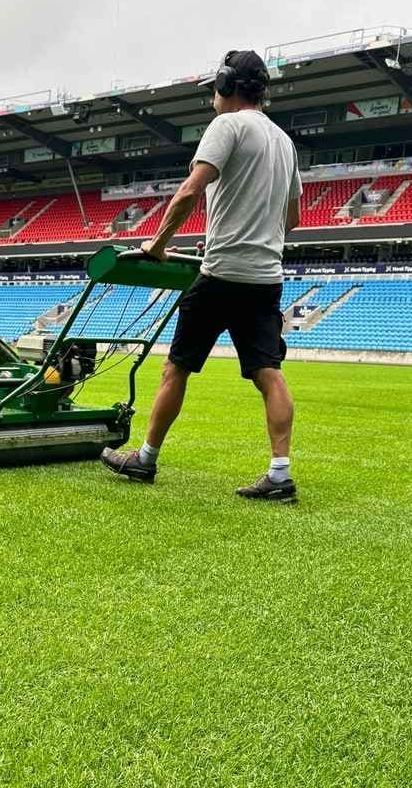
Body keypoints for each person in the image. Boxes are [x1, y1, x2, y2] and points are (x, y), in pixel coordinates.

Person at [101, 49, 302, 504]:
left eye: (214, 88)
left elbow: (191, 190)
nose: (212, 97)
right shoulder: (285, 143)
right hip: (265, 277)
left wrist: (156, 243)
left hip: (221, 274)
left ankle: (145, 458)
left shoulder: (226, 126)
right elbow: (291, 220)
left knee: (177, 367)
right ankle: (280, 473)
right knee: (269, 372)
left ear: (227, 86)